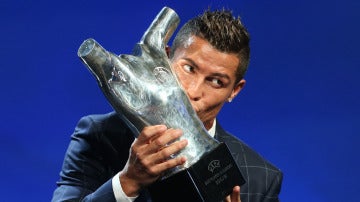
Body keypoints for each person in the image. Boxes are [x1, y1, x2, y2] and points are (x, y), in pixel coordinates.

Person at [52, 9, 282, 202]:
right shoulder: (99, 136)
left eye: (216, 81)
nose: (192, 91)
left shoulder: (261, 177)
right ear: (164, 58)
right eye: (189, 68)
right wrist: (128, 181)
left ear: (234, 90)